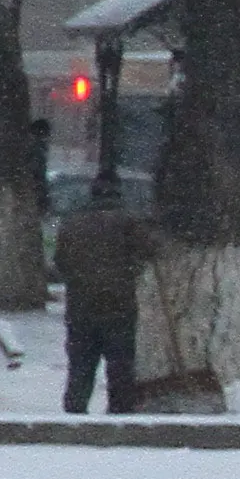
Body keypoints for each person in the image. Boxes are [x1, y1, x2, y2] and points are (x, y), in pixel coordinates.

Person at [54, 177, 147, 414]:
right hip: (118, 304)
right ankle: (120, 411)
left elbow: (61, 262)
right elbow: (145, 252)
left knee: (81, 364)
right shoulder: (128, 221)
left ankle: (75, 410)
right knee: (120, 363)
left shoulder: (71, 223)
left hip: (80, 306)